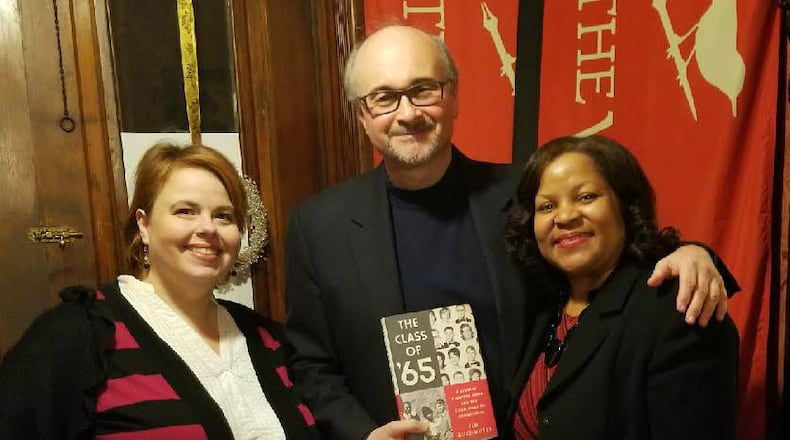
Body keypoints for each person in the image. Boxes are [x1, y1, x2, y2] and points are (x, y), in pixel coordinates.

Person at [284, 24, 735, 440]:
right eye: (383, 98)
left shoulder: (528, 196)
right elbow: (311, 363)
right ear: (362, 114)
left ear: (454, 97)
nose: (407, 113)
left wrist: (692, 254)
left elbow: (607, 264)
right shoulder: (317, 226)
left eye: (423, 90)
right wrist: (362, 435)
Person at [0, 143, 319, 439]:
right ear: (144, 224)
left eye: (224, 216)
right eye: (185, 211)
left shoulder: (269, 339)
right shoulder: (79, 335)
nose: (207, 228)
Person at [503, 135, 738, 439]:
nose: (565, 217)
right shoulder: (540, 307)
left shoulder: (678, 309)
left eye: (586, 197)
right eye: (547, 206)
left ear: (625, 207)